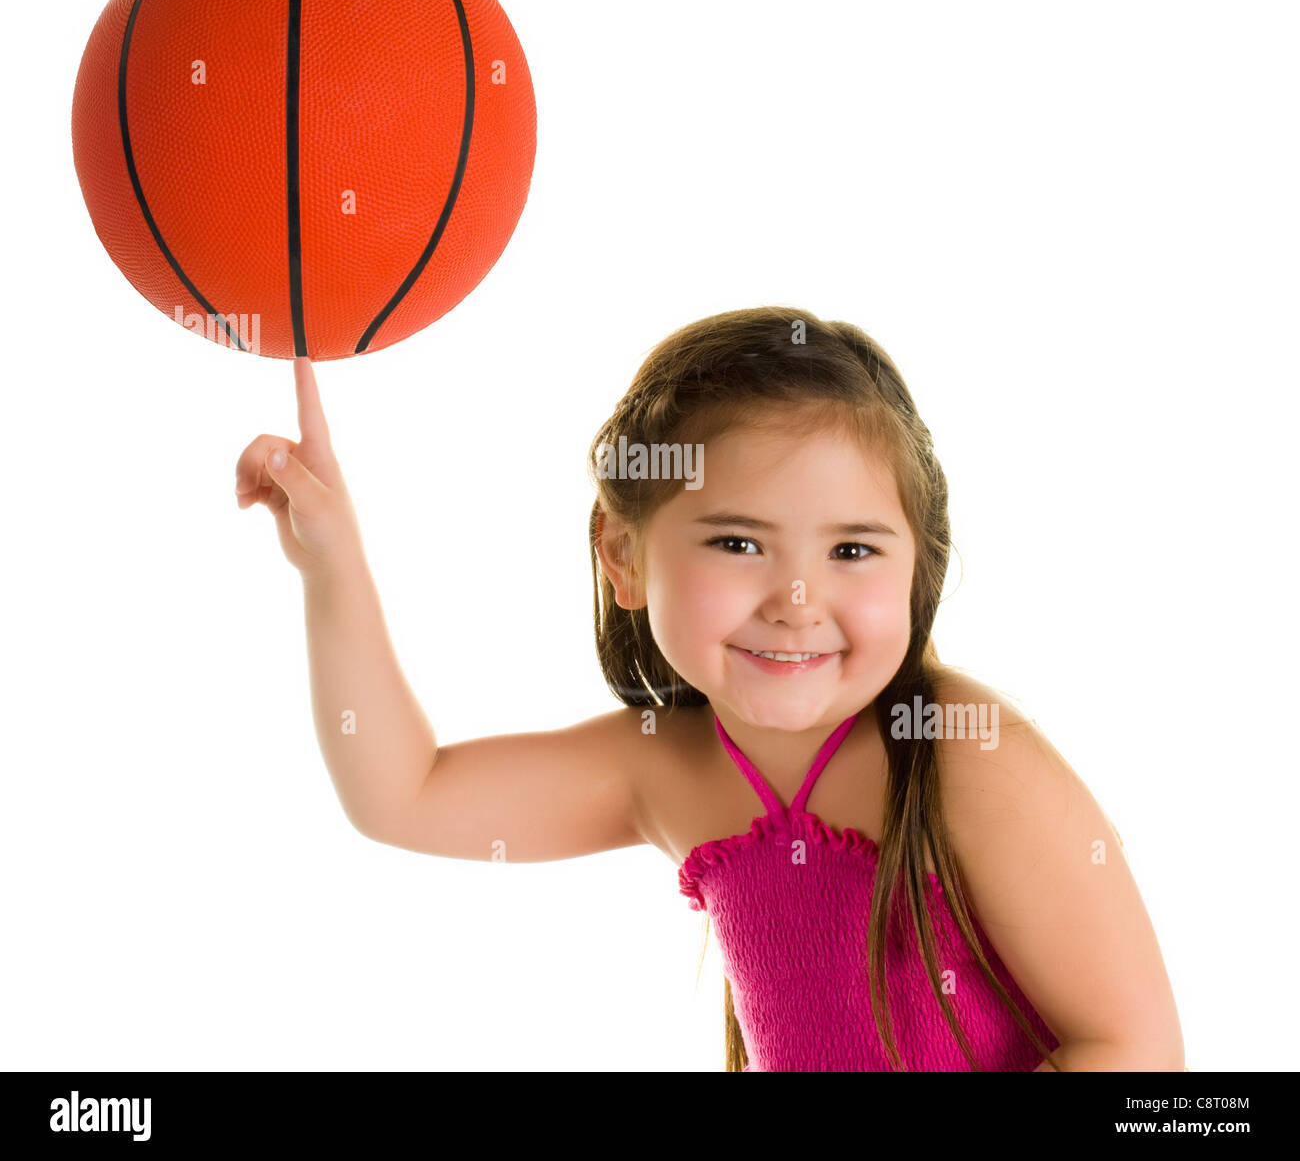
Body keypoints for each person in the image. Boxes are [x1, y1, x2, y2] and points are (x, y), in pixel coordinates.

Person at [233, 305, 1184, 1071]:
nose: (797, 600)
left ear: (916, 569)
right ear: (624, 556)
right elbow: (404, 793)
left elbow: (1138, 1050)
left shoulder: (960, 753)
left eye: (852, 549)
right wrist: (333, 565)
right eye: (738, 543)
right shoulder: (665, 769)